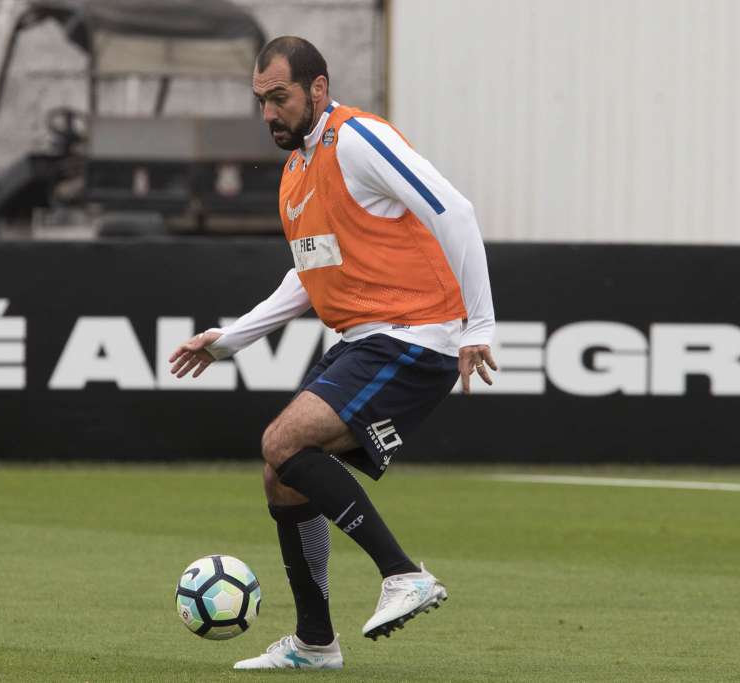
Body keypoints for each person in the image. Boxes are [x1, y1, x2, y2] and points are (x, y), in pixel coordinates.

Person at [168, 36, 497, 671]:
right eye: (260, 100)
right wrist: (229, 341)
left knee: (282, 442)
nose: (269, 113)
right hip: (363, 339)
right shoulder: (294, 175)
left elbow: (455, 210)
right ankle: (315, 642)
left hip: (412, 333)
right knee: (282, 472)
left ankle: (403, 574)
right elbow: (306, 276)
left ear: (318, 89)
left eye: (280, 97)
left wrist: (478, 325)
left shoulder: (356, 139)